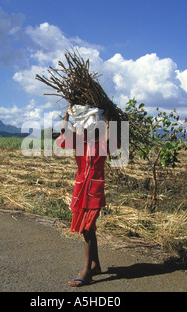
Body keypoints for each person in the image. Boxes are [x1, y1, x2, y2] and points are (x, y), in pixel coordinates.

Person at [56, 102, 111, 287]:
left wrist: (108, 120)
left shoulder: (102, 142)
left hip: (94, 191)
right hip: (80, 190)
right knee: (88, 228)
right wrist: (67, 115)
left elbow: (114, 145)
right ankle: (95, 265)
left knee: (87, 227)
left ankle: (87, 271)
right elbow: (63, 138)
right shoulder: (79, 141)